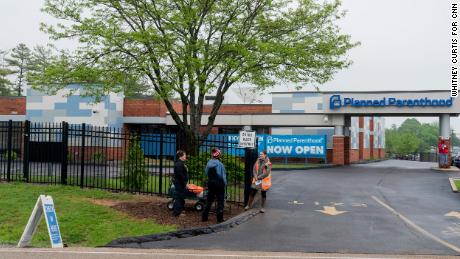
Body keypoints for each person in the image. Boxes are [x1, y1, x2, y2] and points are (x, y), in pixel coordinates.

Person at [202, 148, 227, 223]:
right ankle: (219, 219)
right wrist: (225, 184)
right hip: (219, 184)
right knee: (220, 201)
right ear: (218, 155)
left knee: (209, 200)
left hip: (211, 184)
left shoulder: (208, 163)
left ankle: (204, 217)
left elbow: (206, 173)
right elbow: (223, 176)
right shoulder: (220, 164)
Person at [173, 150, 188, 217]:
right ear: (181, 156)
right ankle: (176, 212)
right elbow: (180, 175)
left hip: (180, 183)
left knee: (180, 197)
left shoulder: (180, 163)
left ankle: (180, 210)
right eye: (185, 156)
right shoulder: (179, 164)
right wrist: (184, 183)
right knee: (178, 198)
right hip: (180, 183)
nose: (185, 157)